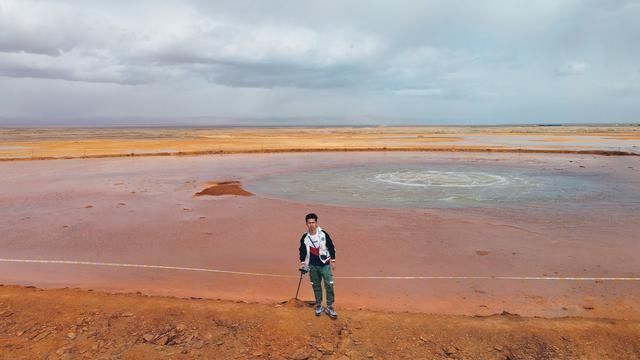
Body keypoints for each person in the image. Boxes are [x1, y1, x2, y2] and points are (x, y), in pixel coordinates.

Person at [299, 213, 337, 318]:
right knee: (316, 285)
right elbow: (302, 251)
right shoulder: (304, 237)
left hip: (325, 264)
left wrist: (333, 261)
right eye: (309, 222)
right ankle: (319, 305)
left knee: (329, 284)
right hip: (312, 265)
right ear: (306, 224)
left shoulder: (323, 234)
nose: (311, 224)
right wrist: (303, 264)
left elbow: (331, 246)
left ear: (316, 223)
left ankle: (329, 306)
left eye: (313, 222)